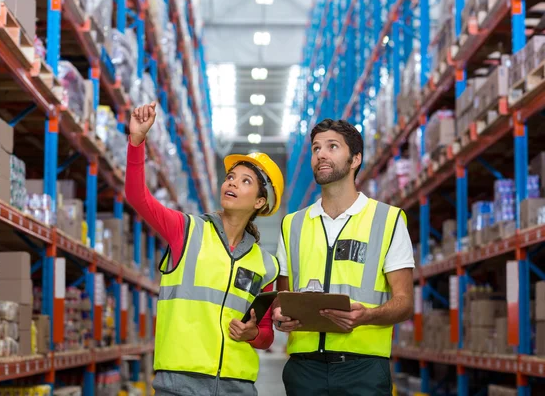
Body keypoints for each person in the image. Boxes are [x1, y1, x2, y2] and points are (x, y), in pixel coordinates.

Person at [125, 102, 285, 396]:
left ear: (260, 202)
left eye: (245, 181)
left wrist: (252, 334)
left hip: (236, 388)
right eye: (230, 178)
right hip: (179, 384)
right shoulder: (186, 231)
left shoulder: (266, 265)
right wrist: (136, 142)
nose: (232, 183)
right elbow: (138, 197)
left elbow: (265, 335)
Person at [272, 118, 415, 396]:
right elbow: (283, 296)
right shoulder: (293, 224)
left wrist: (368, 316)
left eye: (332, 147)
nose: (321, 155)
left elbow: (405, 302)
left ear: (355, 159)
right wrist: (281, 317)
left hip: (363, 369)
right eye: (316, 148)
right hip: (304, 370)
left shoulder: (387, 220)